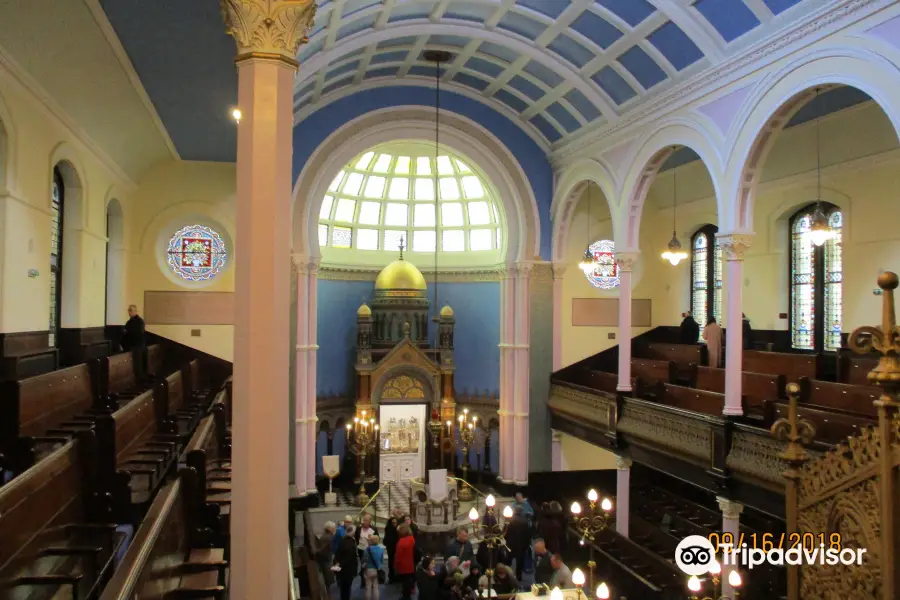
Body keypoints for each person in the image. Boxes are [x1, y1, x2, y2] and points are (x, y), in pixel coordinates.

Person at [121, 304, 147, 380]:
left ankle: (140, 380)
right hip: (131, 346)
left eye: (130, 310)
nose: (129, 312)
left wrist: (127, 332)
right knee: (135, 366)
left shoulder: (140, 321)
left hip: (138, 346)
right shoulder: (129, 322)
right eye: (128, 310)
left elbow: (138, 333)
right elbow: (125, 333)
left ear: (135, 311)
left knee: (138, 366)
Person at [505, 509, 531, 580]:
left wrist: (507, 539)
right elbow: (528, 534)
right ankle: (519, 576)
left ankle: (507, 574)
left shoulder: (509, 520)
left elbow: (505, 532)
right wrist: (527, 544)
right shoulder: (525, 521)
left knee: (508, 560)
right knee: (520, 561)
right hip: (521, 545)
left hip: (510, 544)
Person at [394, 524, 417, 600]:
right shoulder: (412, 539)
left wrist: (396, 565)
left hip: (403, 565)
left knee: (405, 583)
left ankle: (405, 597)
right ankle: (408, 596)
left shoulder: (401, 542)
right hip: (411, 564)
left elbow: (398, 557)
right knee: (409, 581)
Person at [334, 535, 358, 600]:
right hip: (350, 571)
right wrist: (355, 572)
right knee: (348, 588)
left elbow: (337, 557)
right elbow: (355, 561)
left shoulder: (341, 546)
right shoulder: (352, 548)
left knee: (342, 588)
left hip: (341, 571)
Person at [363, 534, 387, 600]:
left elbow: (364, 560)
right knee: (376, 587)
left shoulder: (367, 550)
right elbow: (382, 561)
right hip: (377, 569)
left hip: (369, 569)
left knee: (368, 587)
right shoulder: (381, 550)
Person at [316, 521, 336, 588]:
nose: (334, 529)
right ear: (330, 529)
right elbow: (325, 549)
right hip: (326, 560)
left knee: (327, 579)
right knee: (327, 580)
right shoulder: (328, 537)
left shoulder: (326, 536)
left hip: (326, 559)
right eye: (333, 528)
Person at [383, 509, 401, 583]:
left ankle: (397, 576)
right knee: (391, 563)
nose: (394, 524)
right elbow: (386, 539)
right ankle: (391, 577)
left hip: (397, 549)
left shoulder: (398, 530)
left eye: (395, 523)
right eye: (393, 523)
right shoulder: (388, 529)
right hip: (391, 550)